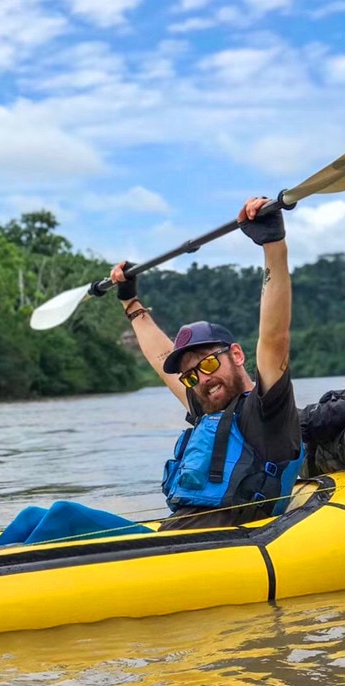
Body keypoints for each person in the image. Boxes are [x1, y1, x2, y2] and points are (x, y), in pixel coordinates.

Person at [110, 197, 303, 529]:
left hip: (208, 547)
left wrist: (273, 244)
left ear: (237, 355)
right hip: (174, 535)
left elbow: (275, 337)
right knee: (35, 517)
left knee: (60, 517)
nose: (201, 379)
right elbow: (160, 357)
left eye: (208, 365)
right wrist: (130, 300)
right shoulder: (208, 409)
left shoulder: (267, 411)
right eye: (191, 376)